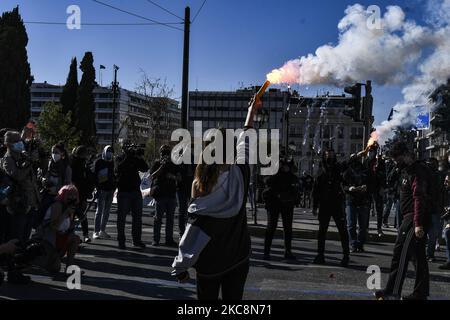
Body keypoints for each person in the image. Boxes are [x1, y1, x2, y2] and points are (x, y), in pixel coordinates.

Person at [171, 95, 256, 301]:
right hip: (238, 257)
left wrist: (180, 267)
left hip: (209, 263)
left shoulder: (198, 185)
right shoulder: (241, 175)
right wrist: (250, 112)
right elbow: (246, 140)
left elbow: (193, 231)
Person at [375, 141, 431, 300]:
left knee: (400, 254)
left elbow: (419, 197)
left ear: (406, 155)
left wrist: (418, 223)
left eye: (397, 158)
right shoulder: (407, 170)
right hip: (411, 217)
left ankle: (393, 292)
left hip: (413, 218)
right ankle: (420, 293)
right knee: (418, 257)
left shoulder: (417, 171)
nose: (395, 162)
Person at [1, 131, 40, 243]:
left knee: (25, 236)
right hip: (18, 204)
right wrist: (30, 161)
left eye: (20, 140)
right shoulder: (7, 159)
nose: (20, 143)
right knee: (16, 237)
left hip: (30, 202)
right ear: (8, 144)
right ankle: (12, 259)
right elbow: (18, 176)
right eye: (16, 141)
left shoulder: (22, 156)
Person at [312, 149, 350, 267]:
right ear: (324, 156)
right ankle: (320, 255)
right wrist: (314, 206)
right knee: (322, 231)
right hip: (324, 205)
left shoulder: (338, 168)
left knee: (342, 230)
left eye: (331, 154)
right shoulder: (320, 171)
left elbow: (347, 164)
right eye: (327, 154)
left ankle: (346, 255)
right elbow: (316, 190)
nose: (329, 156)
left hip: (337, 204)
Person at [32, 184, 81, 275]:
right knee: (55, 268)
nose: (72, 197)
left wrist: (73, 219)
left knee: (75, 239)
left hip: (59, 236)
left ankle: (69, 268)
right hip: (48, 238)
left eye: (74, 195)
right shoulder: (57, 205)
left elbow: (68, 228)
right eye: (69, 195)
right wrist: (65, 214)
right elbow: (53, 226)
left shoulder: (70, 207)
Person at [262, 157, 300, 260]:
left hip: (287, 203)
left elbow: (296, 184)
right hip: (274, 202)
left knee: (288, 228)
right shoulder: (274, 170)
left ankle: (288, 251)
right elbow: (267, 181)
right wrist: (276, 169)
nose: (285, 167)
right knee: (271, 227)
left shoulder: (291, 175)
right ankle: (266, 252)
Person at [115, 144, 149, 250]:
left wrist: (138, 156)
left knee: (137, 218)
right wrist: (127, 156)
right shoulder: (120, 157)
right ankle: (121, 241)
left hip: (135, 191)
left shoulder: (135, 158)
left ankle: (136, 240)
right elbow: (118, 169)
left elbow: (145, 168)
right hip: (124, 191)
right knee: (121, 218)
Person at [150, 145, 180, 247]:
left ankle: (169, 239)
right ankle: (156, 239)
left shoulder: (174, 164)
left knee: (170, 219)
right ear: (160, 153)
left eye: (167, 153)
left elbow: (179, 178)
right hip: (160, 195)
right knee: (158, 218)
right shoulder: (157, 163)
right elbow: (152, 175)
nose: (165, 155)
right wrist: (162, 166)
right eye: (163, 153)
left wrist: (173, 176)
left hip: (171, 194)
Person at [342, 154, 370, 253]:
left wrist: (365, 188)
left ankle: (360, 244)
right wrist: (349, 188)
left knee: (362, 225)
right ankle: (353, 244)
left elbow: (370, 183)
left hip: (363, 200)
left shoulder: (364, 170)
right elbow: (343, 185)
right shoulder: (347, 171)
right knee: (351, 224)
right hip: (351, 200)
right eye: (354, 157)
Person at [71, 146, 95, 243]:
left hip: (81, 194)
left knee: (81, 215)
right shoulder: (74, 164)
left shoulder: (85, 165)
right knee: (76, 215)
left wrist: (88, 193)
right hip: (74, 193)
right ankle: (73, 234)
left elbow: (89, 180)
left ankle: (85, 235)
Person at [93, 145, 116, 240]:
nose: (110, 152)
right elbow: (94, 175)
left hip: (110, 189)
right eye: (108, 150)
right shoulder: (99, 161)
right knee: (99, 211)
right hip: (101, 189)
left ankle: (102, 230)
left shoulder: (112, 163)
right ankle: (96, 231)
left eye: (111, 151)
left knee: (106, 212)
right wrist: (97, 188)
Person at [425, 158, 445, 262]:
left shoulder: (439, 176)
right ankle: (425, 254)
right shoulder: (423, 176)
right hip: (425, 208)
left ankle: (430, 254)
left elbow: (441, 192)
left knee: (432, 234)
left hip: (434, 209)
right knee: (425, 234)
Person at [439, 175, 450, 270]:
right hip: (448, 218)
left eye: (447, 181)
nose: (445, 183)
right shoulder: (445, 191)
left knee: (447, 232)